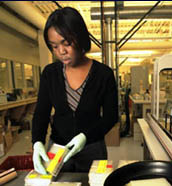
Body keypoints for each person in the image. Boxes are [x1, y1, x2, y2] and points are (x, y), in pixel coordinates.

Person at [32, 7, 118, 174]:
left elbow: (110, 116)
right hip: (58, 149)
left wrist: (85, 136)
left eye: (66, 43)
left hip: (93, 147)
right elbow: (41, 113)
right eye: (54, 46)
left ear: (80, 37)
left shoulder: (103, 74)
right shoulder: (50, 74)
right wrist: (37, 142)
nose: (61, 52)